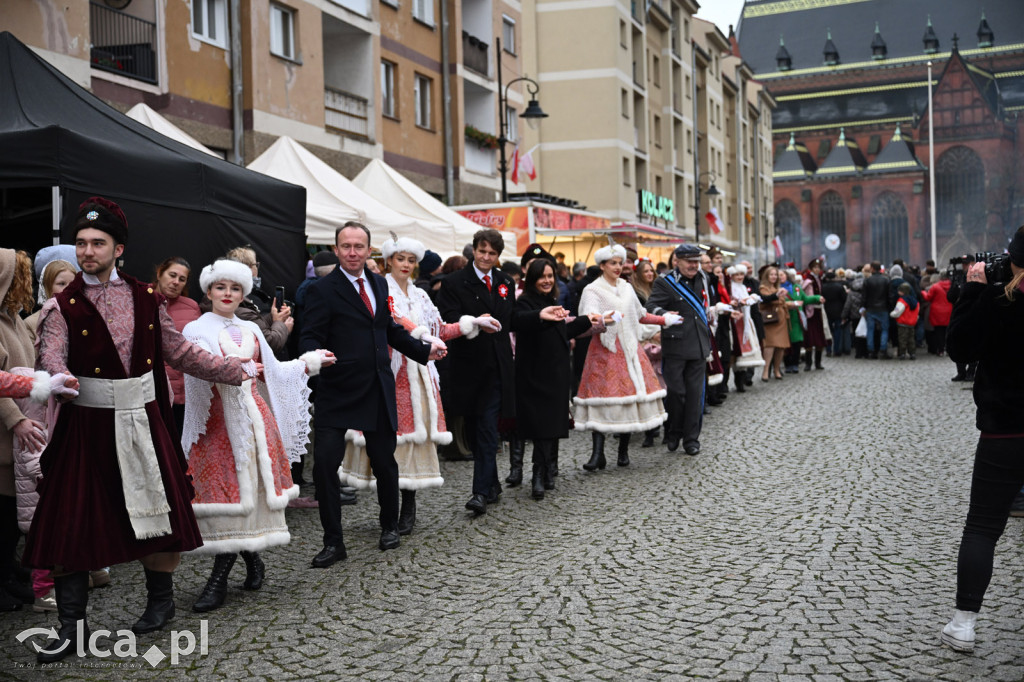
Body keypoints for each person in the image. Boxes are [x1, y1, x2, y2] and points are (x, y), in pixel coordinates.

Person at [24, 197, 253, 663]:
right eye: (81, 243)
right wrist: (58, 380)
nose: (87, 251)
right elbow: (51, 356)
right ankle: (72, 627)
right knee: (72, 519)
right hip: (85, 426)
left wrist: (234, 369)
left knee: (159, 513)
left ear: (119, 249)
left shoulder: (146, 297)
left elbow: (178, 351)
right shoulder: (61, 305)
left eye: (98, 243)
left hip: (144, 422)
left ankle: (160, 602)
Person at [182, 259, 333, 612]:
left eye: (235, 288)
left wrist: (307, 363)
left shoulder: (250, 329)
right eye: (221, 287)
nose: (228, 293)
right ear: (208, 292)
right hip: (217, 422)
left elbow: (273, 372)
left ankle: (229, 573)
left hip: (256, 420)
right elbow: (201, 370)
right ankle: (241, 565)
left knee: (249, 488)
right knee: (230, 493)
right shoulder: (195, 329)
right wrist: (240, 368)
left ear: (244, 294)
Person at [299, 222, 444, 567]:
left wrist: (423, 351)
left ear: (369, 251)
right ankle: (333, 542)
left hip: (378, 388)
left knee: (384, 462)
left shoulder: (378, 284)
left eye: (359, 246)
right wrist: (313, 356)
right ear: (336, 249)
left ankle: (389, 526)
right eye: (346, 246)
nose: (352, 252)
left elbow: (389, 329)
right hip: (337, 390)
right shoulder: (322, 290)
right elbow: (309, 335)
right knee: (324, 467)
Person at [340, 236, 494, 534]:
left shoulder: (421, 295)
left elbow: (441, 330)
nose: (406, 265)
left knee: (413, 441)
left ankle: (408, 505)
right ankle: (389, 508)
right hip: (388, 373)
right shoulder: (379, 288)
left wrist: (472, 323)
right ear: (389, 261)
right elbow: (393, 320)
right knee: (387, 444)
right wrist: (422, 334)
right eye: (401, 259)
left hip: (419, 378)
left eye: (411, 260)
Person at [940, 226, 1024, 653]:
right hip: (1005, 425)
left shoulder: (997, 300)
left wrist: (972, 291)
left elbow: (960, 348)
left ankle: (963, 624)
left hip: (1006, 427)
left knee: (983, 527)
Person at [436, 229, 515, 516]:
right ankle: (492, 484)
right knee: (473, 428)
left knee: (487, 428)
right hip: (467, 367)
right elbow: (446, 319)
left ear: (498, 256)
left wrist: (540, 316)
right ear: (474, 251)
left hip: (496, 367)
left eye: (492, 253)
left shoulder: (505, 281)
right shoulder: (454, 282)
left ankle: (479, 492)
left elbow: (511, 319)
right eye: (482, 251)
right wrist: (473, 322)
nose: (486, 257)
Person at [579, 244, 676, 465]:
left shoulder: (627, 288)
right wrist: (604, 319)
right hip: (605, 350)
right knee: (601, 399)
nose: (617, 267)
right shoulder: (592, 290)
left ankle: (623, 452)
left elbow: (640, 314)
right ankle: (597, 454)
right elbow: (588, 319)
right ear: (602, 265)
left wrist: (664, 319)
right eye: (612, 263)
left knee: (629, 399)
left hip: (630, 350)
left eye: (620, 263)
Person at [513, 259, 597, 498]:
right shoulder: (525, 302)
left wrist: (589, 320)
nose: (547, 280)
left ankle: (548, 470)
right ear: (532, 279)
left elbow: (561, 331)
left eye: (550, 276)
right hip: (535, 374)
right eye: (542, 276)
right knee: (540, 427)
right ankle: (537, 475)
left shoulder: (552, 301)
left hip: (556, 373)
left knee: (551, 427)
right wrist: (541, 315)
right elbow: (520, 320)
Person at [0, 249, 44, 611]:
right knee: (2, 515)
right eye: (19, 276)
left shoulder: (12, 318)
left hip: (18, 439)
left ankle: (7, 575)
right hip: (6, 434)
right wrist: (16, 419)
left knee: (13, 514)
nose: (24, 284)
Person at [644, 245, 708, 455]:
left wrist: (717, 310)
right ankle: (673, 431)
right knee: (676, 394)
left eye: (696, 261)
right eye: (689, 261)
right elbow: (650, 306)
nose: (693, 265)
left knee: (695, 396)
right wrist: (664, 315)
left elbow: (706, 306)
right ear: (676, 262)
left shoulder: (704, 279)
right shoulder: (665, 282)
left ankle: (691, 440)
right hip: (676, 346)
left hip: (698, 345)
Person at [215, 246, 293, 356]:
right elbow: (269, 343)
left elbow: (256, 323)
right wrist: (281, 325)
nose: (228, 293)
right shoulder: (240, 306)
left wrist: (273, 316)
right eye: (255, 265)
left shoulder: (246, 302)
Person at [153, 257, 200, 437]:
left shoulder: (191, 307)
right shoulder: (142, 298)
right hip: (152, 393)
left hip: (183, 396)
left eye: (182, 279)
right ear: (160, 273)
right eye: (172, 275)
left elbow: (196, 348)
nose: (176, 282)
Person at [25, 247, 79, 336]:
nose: (68, 289)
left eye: (73, 284)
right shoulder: (32, 324)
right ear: (47, 286)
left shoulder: (87, 315)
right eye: (61, 284)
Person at [758, 265, 791, 381]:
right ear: (766, 276)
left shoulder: (778, 287)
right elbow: (765, 300)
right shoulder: (763, 288)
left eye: (775, 274)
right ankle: (766, 370)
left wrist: (791, 304)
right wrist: (777, 295)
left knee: (781, 346)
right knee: (770, 345)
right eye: (771, 274)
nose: (774, 277)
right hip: (771, 319)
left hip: (781, 319)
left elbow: (783, 302)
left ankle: (777, 369)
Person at [801, 259, 828, 370]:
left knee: (819, 338)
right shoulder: (808, 281)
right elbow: (807, 296)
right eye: (815, 267)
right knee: (809, 338)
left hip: (819, 311)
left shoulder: (819, 279)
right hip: (810, 312)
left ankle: (818, 362)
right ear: (811, 269)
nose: (817, 269)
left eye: (818, 267)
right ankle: (808, 363)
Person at [862, 261, 890, 359]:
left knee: (870, 330)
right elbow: (889, 295)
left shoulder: (867, 281)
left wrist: (863, 307)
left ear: (872, 268)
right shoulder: (886, 280)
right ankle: (883, 350)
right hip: (883, 308)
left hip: (870, 308)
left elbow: (864, 296)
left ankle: (871, 351)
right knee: (884, 330)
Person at [921, 272, 952, 356]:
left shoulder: (935, 287)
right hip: (949, 310)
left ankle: (940, 350)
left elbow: (928, 297)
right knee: (947, 331)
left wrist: (923, 292)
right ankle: (948, 349)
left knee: (938, 331)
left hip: (937, 311)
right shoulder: (952, 286)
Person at [889, 282, 919, 360]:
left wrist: (891, 314)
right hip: (912, 323)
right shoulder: (915, 301)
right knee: (911, 339)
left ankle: (902, 353)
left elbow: (897, 311)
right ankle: (912, 353)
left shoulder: (902, 300)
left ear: (902, 291)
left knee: (902, 339)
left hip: (903, 323)